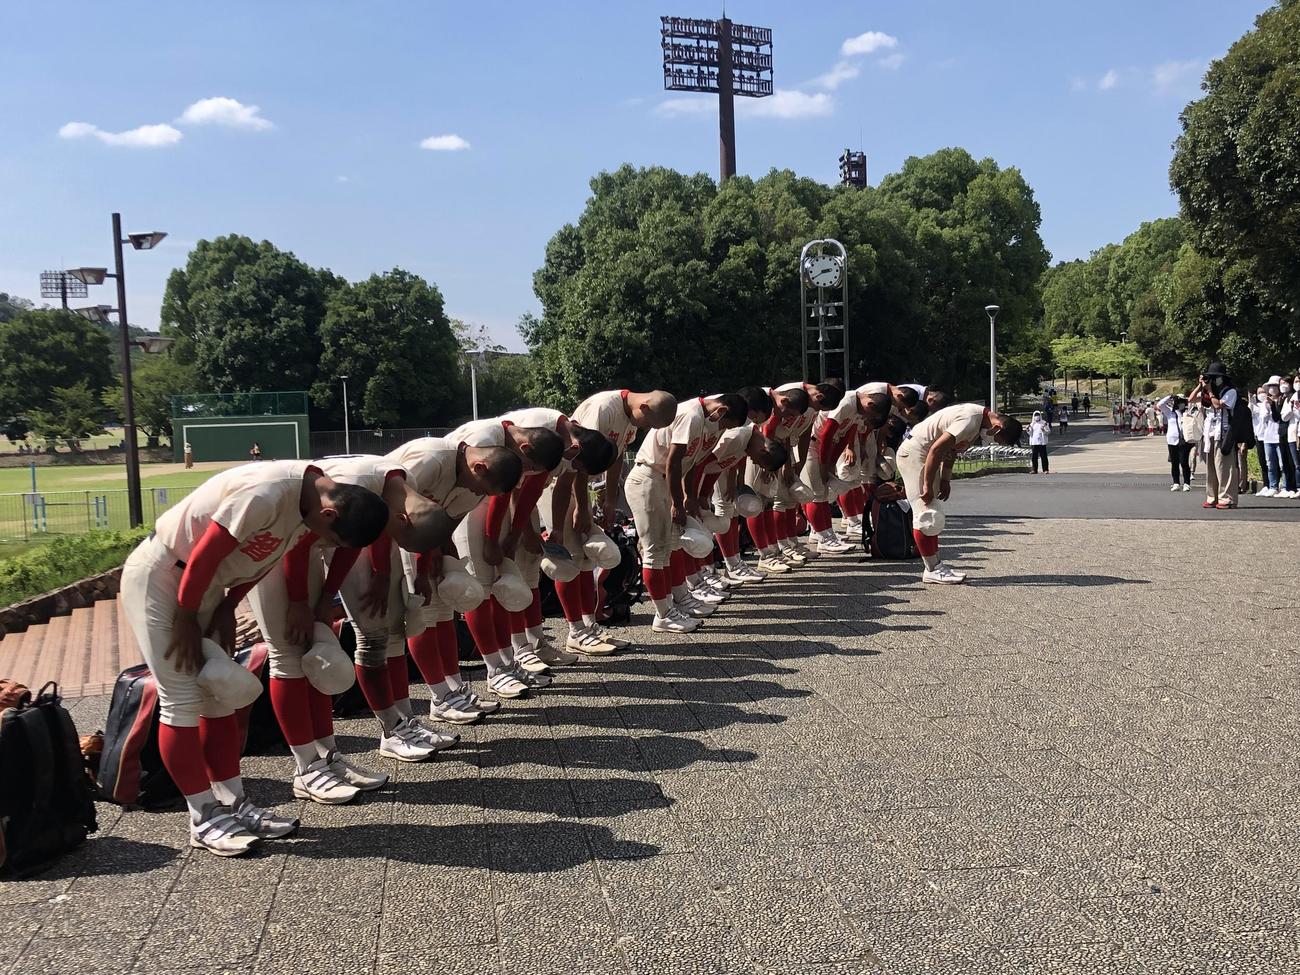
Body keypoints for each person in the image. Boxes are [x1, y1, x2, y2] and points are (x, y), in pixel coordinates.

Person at [119, 461, 390, 855]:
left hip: (205, 587)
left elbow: (264, 558)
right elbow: (206, 554)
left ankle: (232, 803)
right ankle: (203, 816)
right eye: (330, 539)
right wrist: (187, 618)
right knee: (181, 698)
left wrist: (228, 605)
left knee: (220, 696)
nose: (323, 545)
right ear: (330, 514)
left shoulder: (308, 505)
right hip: (164, 578)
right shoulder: (266, 493)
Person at [245, 454, 457, 803]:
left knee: (319, 647)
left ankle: (327, 756)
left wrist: (326, 597)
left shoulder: (401, 488)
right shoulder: (353, 491)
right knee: (289, 654)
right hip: (277, 546)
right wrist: (298, 601)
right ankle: (306, 767)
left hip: (310, 539)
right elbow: (298, 543)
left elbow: (349, 543)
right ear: (401, 518)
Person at [624, 392, 747, 634]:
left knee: (670, 547)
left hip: (663, 481)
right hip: (649, 478)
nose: (722, 428)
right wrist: (678, 503)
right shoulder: (692, 415)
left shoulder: (702, 419)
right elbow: (674, 461)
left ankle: (678, 601)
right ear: (721, 411)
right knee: (655, 551)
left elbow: (690, 464)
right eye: (725, 423)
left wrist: (688, 496)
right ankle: (663, 614)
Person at [895, 404, 1022, 584]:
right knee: (925, 514)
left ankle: (935, 565)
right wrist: (927, 485)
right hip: (916, 455)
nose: (993, 442)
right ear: (997, 428)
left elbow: (951, 450)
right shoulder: (969, 420)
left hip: (924, 455)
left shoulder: (978, 422)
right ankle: (932, 569)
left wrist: (945, 479)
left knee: (933, 513)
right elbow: (937, 449)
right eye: (997, 440)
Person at [1190, 362, 1240, 510]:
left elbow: (1218, 405)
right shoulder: (1207, 392)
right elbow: (1191, 399)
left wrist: (1210, 391)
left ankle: (1227, 498)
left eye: (1214, 377)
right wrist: (1200, 386)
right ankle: (1212, 497)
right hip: (1210, 432)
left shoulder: (1230, 391)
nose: (1212, 380)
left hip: (1223, 433)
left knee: (1224, 467)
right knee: (1211, 467)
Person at [1253, 383, 1283, 497]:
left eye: (1263, 392)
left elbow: (1277, 417)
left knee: (1282, 464)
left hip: (1279, 436)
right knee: (1269, 463)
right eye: (1259, 392)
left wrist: (1273, 405)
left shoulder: (1281, 400)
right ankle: (1271, 486)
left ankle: (1284, 486)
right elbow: (1263, 417)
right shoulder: (1263, 404)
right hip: (1266, 436)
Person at [1157, 394, 1192, 492]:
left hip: (1184, 440)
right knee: (1174, 463)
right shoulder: (1170, 412)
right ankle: (1176, 483)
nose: (1180, 404)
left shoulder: (1187, 413)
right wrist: (1170, 397)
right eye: (1178, 402)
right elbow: (1160, 405)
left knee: (1184, 462)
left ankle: (1187, 483)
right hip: (1172, 440)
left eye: (1182, 402)